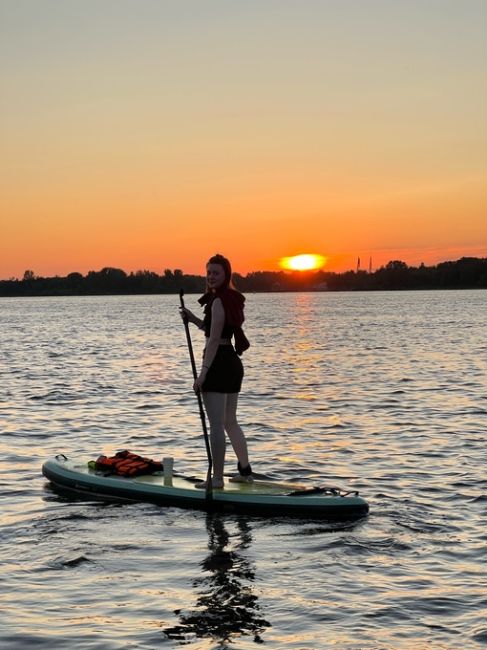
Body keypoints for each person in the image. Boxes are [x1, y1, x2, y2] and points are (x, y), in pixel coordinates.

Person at [180, 254, 253, 489]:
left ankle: (218, 478)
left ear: (226, 275)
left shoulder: (220, 301)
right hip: (232, 363)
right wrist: (193, 319)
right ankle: (245, 472)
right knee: (230, 421)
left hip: (219, 364)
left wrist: (203, 375)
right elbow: (216, 331)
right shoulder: (228, 299)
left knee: (216, 424)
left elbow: (213, 341)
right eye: (209, 272)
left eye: (216, 273)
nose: (211, 277)